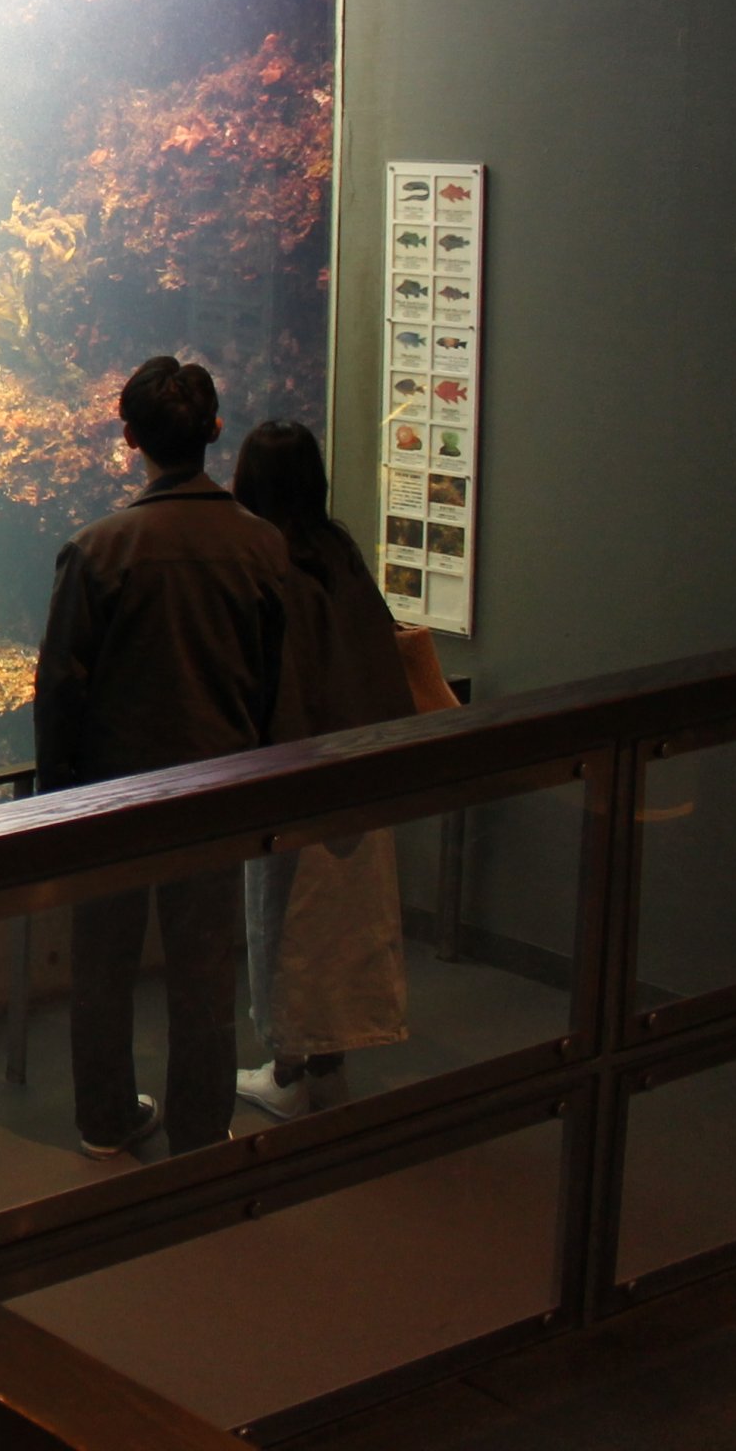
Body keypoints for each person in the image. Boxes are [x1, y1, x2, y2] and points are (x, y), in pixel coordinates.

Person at [35, 357, 291, 1158]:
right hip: (219, 790)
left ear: (128, 437)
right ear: (216, 430)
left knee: (103, 964)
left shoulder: (96, 551)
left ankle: (106, 1118)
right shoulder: (262, 547)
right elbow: (277, 681)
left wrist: (56, 802)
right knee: (205, 968)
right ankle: (201, 1129)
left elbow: (59, 692)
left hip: (110, 798)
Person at [229, 420, 418, 1119]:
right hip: (359, 774)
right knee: (349, 930)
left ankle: (289, 1073)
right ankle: (331, 1072)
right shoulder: (340, 555)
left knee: (288, 931)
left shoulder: (268, 566)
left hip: (296, 776)